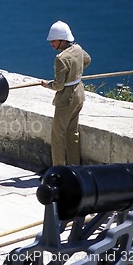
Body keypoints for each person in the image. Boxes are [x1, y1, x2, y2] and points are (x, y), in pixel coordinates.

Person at [41, 21, 91, 166]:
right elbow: (87, 60)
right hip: (79, 94)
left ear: (62, 40)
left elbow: (58, 86)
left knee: (57, 136)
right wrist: (76, 73)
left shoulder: (60, 59)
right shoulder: (78, 49)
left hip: (66, 99)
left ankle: (59, 170)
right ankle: (75, 168)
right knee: (72, 133)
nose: (51, 44)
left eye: (54, 41)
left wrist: (46, 85)